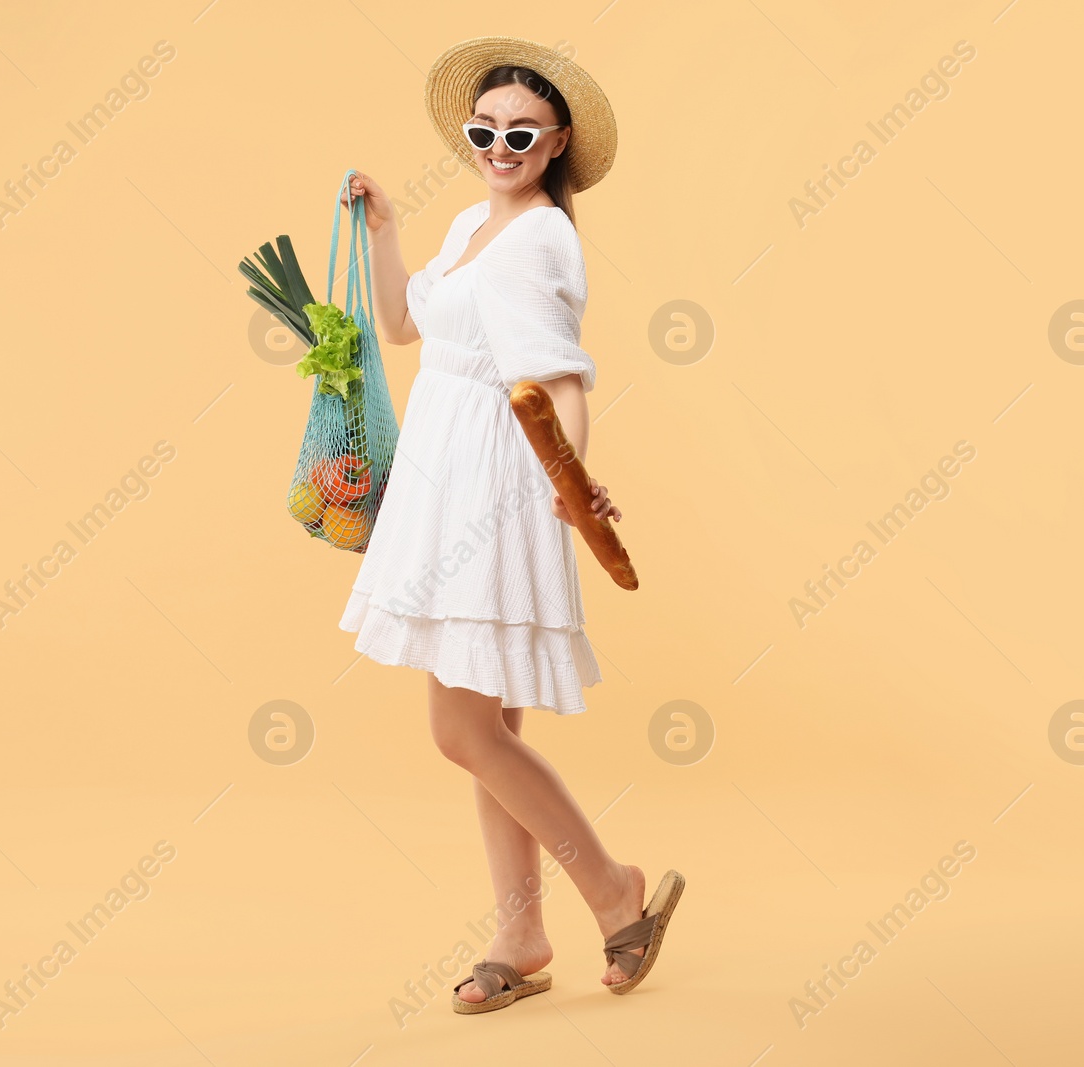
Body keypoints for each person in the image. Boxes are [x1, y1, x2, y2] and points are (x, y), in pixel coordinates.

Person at [336, 36, 684, 1014]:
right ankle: (519, 931)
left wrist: (567, 480)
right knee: (491, 728)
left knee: (462, 728)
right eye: (483, 130)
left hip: (492, 486)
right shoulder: (468, 227)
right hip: (442, 472)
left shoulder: (541, 238)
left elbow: (560, 374)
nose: (499, 144)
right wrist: (388, 229)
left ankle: (611, 887)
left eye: (520, 132)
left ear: (556, 140)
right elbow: (405, 328)